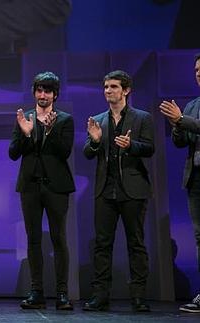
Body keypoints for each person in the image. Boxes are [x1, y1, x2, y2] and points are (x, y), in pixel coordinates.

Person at [82, 70, 154, 312]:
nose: (108, 91)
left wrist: (131, 145)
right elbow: (87, 153)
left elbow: (150, 148)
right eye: (105, 87)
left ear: (126, 90)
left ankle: (138, 296)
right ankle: (100, 295)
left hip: (133, 189)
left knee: (136, 243)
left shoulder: (142, 118)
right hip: (106, 190)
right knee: (102, 244)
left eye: (113, 86)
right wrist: (94, 141)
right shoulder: (99, 120)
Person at [8, 72, 75, 310]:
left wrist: (49, 132)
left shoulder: (65, 120)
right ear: (34, 92)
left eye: (47, 91)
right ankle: (36, 291)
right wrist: (26, 134)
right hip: (30, 187)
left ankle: (62, 293)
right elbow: (13, 153)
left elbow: (64, 152)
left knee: (59, 239)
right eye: (39, 90)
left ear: (55, 94)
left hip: (56, 187)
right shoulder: (24, 118)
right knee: (33, 239)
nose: (43, 95)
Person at [159, 53, 200, 313]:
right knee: (199, 237)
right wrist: (176, 124)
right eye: (196, 69)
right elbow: (181, 141)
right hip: (195, 177)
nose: (198, 73)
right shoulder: (192, 104)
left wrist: (181, 119)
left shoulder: (188, 112)